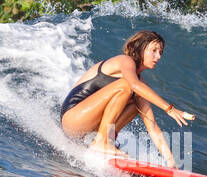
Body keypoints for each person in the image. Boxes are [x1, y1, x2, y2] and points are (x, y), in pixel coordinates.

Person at [59, 30, 195, 164]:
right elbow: (134, 85)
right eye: (153, 51)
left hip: (86, 128)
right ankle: (102, 142)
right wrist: (169, 109)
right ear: (140, 49)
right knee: (128, 85)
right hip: (73, 118)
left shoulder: (139, 82)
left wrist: (171, 162)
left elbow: (152, 126)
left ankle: (105, 141)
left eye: (160, 52)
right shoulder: (125, 61)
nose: (158, 56)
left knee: (137, 104)